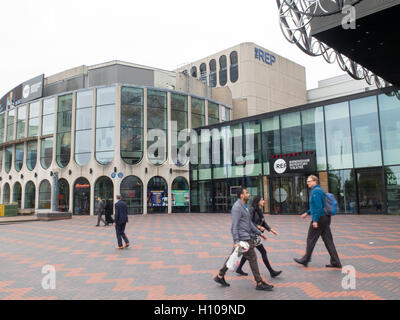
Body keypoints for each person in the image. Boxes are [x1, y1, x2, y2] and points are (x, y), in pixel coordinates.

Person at [214, 187, 274, 291]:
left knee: (234, 256)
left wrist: (259, 233)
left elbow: (249, 223)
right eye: (246, 193)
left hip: (245, 237)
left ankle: (220, 275)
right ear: (241, 195)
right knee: (253, 258)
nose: (249, 194)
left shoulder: (244, 206)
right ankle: (259, 282)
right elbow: (234, 225)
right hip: (243, 239)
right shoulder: (237, 207)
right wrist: (236, 241)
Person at [294, 175, 342, 268]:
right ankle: (336, 262)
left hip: (320, 218)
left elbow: (318, 207)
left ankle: (305, 259)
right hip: (325, 218)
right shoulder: (320, 190)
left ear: (315, 181)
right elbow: (316, 206)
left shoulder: (315, 191)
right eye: (307, 181)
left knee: (311, 239)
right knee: (328, 240)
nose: (307, 183)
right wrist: (307, 213)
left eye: (309, 181)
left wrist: (315, 221)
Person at [235, 196, 282, 278]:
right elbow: (249, 222)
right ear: (258, 201)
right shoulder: (252, 210)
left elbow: (263, 222)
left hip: (254, 235)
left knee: (247, 253)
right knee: (262, 252)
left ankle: (238, 268)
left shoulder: (259, 210)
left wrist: (271, 230)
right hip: (251, 235)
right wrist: (258, 227)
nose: (263, 201)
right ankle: (271, 272)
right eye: (262, 200)